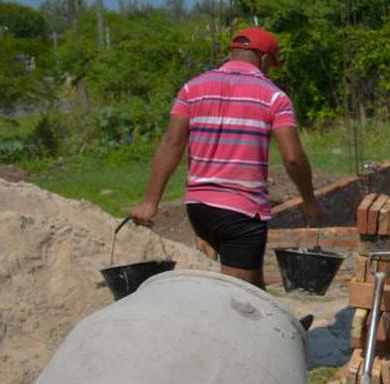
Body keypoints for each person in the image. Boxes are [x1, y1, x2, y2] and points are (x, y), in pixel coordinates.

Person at [131, 27, 322, 289]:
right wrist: (309, 201)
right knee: (237, 297)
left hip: (199, 208)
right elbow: (293, 159)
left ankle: (277, 323)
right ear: (265, 59)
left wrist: (150, 202)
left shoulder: (192, 87)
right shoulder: (274, 97)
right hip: (240, 212)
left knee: (252, 281)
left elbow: (171, 143)